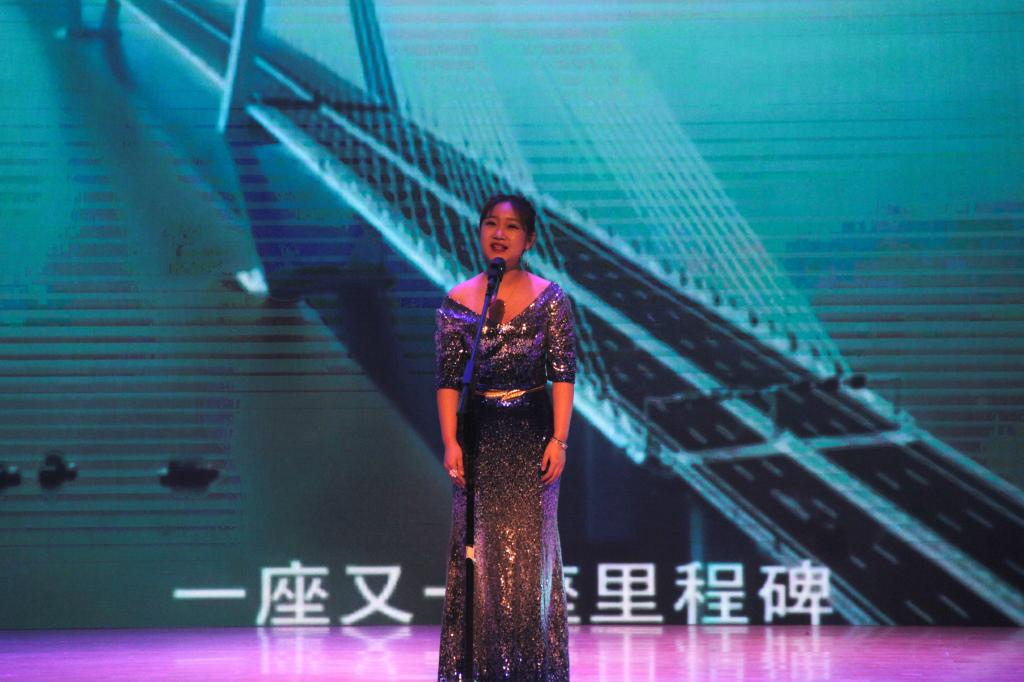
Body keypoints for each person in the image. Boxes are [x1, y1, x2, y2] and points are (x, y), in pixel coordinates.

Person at [435, 194, 575, 681]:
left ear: (529, 239)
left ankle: (530, 670)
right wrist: (451, 442)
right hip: (479, 436)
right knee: (480, 559)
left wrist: (559, 439)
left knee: (529, 559)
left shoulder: (550, 299)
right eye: (491, 224)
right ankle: (480, 670)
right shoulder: (457, 301)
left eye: (512, 227)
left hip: (531, 436)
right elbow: (448, 380)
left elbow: (563, 373)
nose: (499, 233)